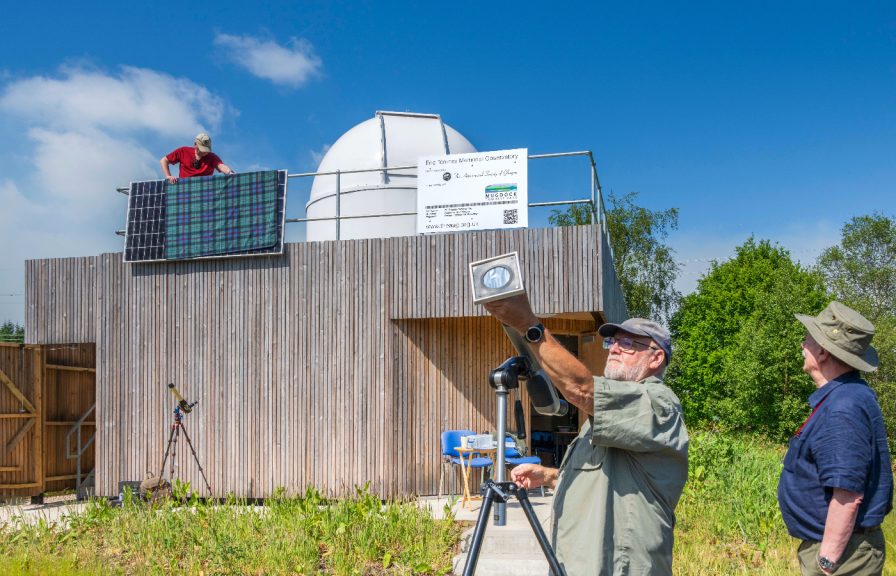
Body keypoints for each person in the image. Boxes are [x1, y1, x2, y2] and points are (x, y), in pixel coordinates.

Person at [483, 294, 689, 575]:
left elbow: (581, 389)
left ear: (656, 358)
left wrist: (529, 326)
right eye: (613, 341)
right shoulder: (606, 417)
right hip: (576, 563)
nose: (614, 348)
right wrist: (549, 476)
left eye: (628, 343)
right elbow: (604, 477)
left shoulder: (658, 403)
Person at [778, 301, 893, 576]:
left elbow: (848, 494)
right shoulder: (847, 396)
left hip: (844, 556)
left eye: (809, 338)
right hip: (845, 549)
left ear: (824, 351)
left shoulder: (843, 407)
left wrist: (827, 561)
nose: (802, 344)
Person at [160, 132, 234, 183]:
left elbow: (221, 166)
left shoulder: (212, 157)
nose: (205, 152)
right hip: (184, 189)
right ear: (195, 145)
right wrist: (168, 176)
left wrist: (230, 172)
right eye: (203, 149)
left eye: (207, 150)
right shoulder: (183, 151)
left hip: (204, 191)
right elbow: (164, 160)